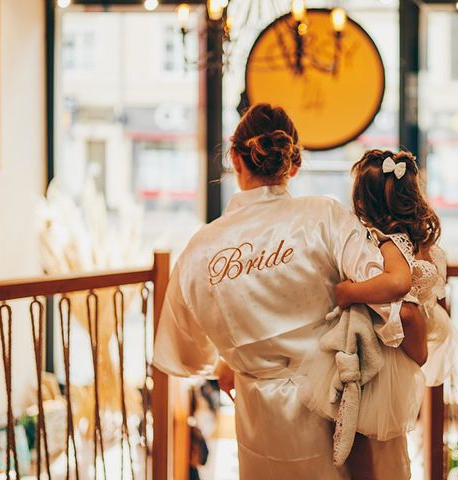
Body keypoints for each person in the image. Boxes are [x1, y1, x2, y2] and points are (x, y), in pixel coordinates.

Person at [153, 104, 427, 479]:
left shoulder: (199, 250)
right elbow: (392, 302)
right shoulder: (325, 217)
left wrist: (236, 355)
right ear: (293, 164)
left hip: (263, 428)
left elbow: (186, 355)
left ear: (235, 158)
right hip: (343, 413)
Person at [299, 150, 458, 473]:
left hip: (391, 354)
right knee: (389, 448)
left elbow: (397, 283)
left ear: (364, 202)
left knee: (360, 435)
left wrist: (349, 292)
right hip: (410, 344)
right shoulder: (421, 241)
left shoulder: (390, 243)